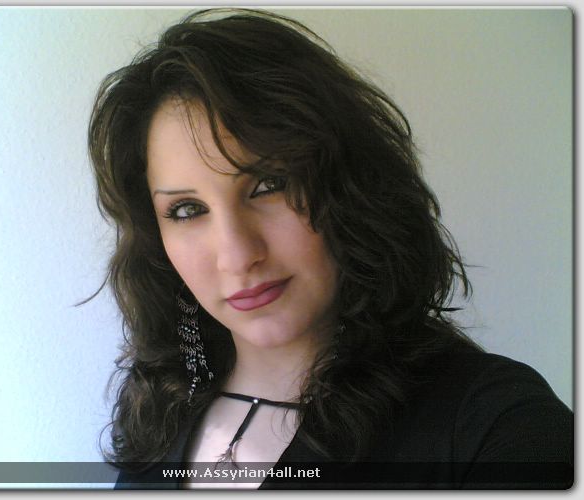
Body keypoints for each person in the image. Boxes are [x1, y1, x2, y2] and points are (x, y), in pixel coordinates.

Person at [87, 9, 573, 489]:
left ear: (349, 188)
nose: (236, 255)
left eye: (269, 185)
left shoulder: (497, 426)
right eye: (187, 210)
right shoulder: (160, 404)